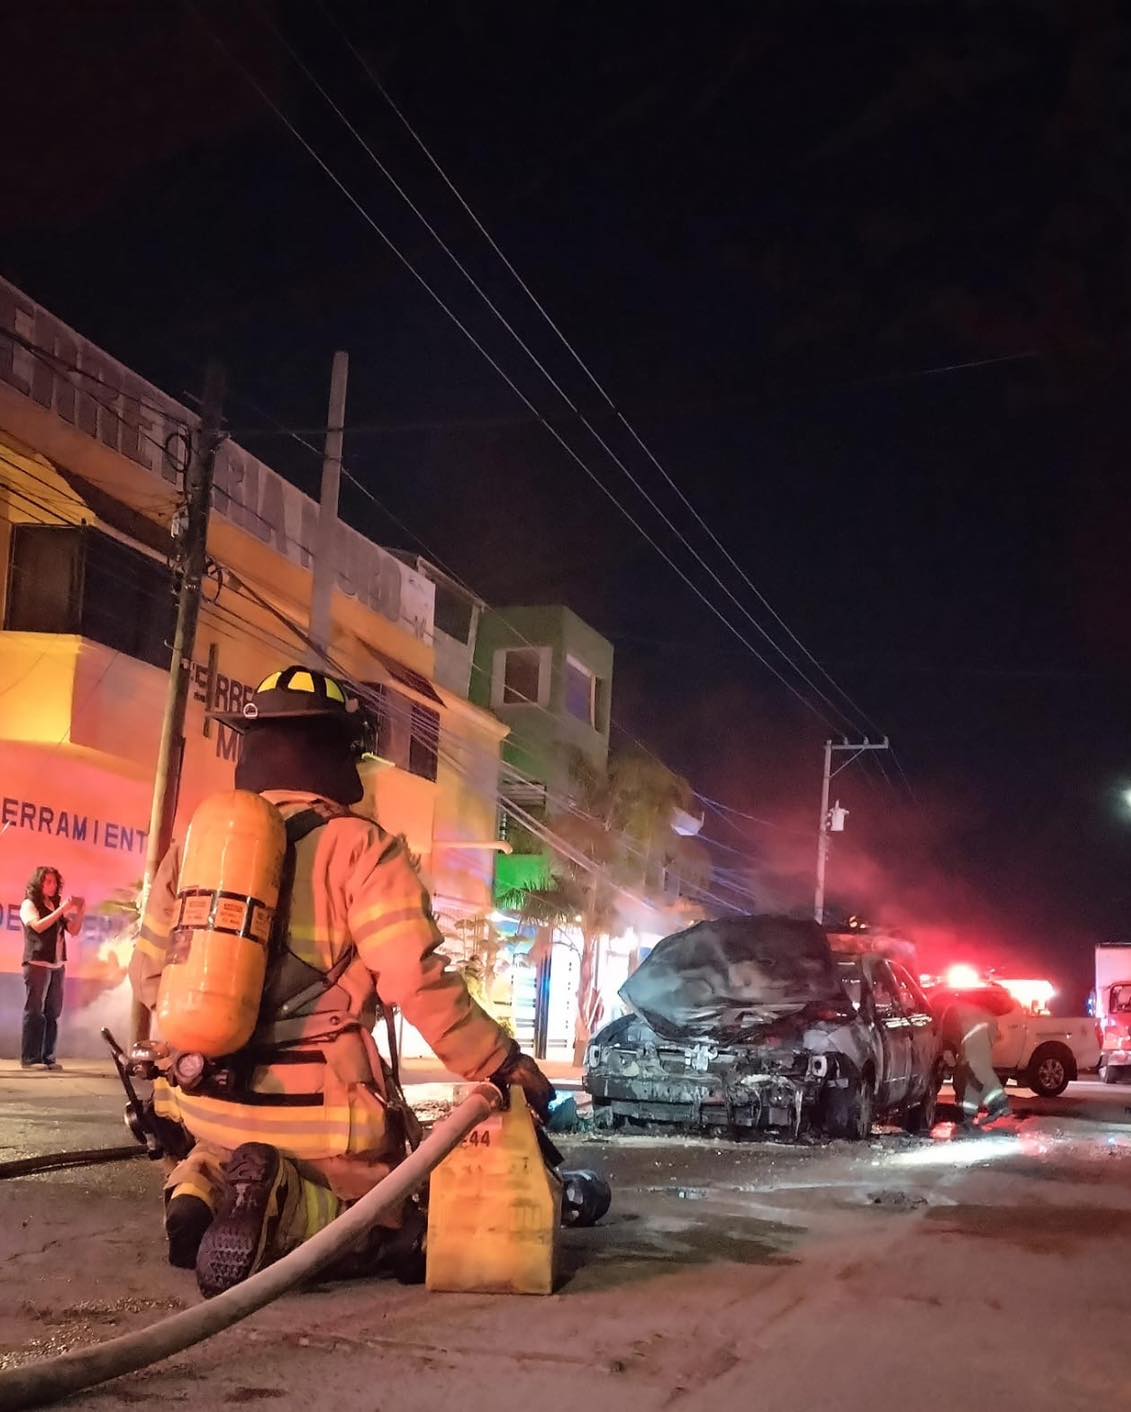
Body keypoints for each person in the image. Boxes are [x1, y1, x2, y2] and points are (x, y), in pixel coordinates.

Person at [129, 666, 556, 1297]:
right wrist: (499, 1062)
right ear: (336, 754)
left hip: (208, 1104)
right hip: (322, 1119)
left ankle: (197, 1190)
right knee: (391, 1219)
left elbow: (148, 978)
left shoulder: (195, 849)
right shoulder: (362, 850)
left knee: (214, 1151)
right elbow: (416, 979)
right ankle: (285, 1206)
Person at [20, 867, 84, 1070]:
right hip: (37, 963)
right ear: (39, 883)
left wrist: (80, 910)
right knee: (34, 1011)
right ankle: (30, 1059)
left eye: (54, 882)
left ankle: (48, 1057)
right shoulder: (29, 904)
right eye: (47, 881)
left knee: (53, 1012)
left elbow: (73, 930)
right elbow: (37, 926)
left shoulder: (56, 904)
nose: (51, 885)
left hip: (57, 965)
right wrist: (62, 909)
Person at [933, 985, 1013, 1128]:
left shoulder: (953, 1010)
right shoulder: (985, 1014)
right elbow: (994, 1035)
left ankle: (992, 1107)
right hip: (977, 1050)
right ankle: (973, 1113)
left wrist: (948, 1052)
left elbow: (948, 1035)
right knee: (974, 1079)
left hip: (969, 1053)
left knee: (969, 1077)